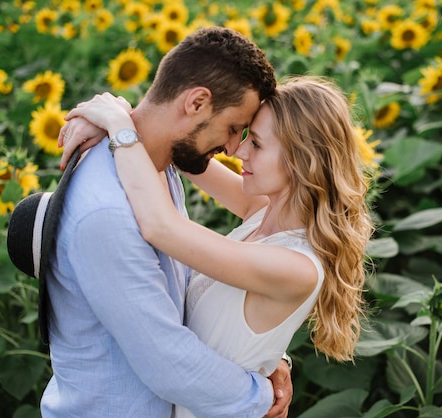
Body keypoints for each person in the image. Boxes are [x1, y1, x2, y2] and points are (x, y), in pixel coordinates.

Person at [61, 76, 373, 418]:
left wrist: (118, 125)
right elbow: (177, 146)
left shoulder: (296, 267)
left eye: (255, 142)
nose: (239, 151)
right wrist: (116, 112)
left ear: (302, 159)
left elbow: (160, 226)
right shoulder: (261, 211)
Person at [43, 26, 294, 418]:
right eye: (232, 128)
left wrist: (261, 355)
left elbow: (178, 296)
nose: (232, 148)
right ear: (196, 102)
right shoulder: (109, 210)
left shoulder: (152, 168)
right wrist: (260, 396)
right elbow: (167, 361)